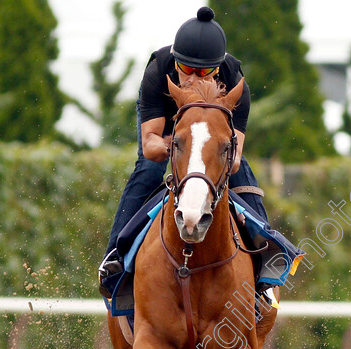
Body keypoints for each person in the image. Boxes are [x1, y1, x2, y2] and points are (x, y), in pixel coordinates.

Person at [99, 6, 269, 297]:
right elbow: (152, 145)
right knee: (149, 169)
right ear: (175, 61)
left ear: (219, 69)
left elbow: (235, 155)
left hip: (212, 131)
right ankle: (115, 254)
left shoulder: (235, 79)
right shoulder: (157, 70)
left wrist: (204, 151)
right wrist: (182, 148)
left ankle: (268, 254)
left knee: (242, 168)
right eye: (186, 70)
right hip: (169, 132)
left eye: (204, 72)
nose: (192, 79)